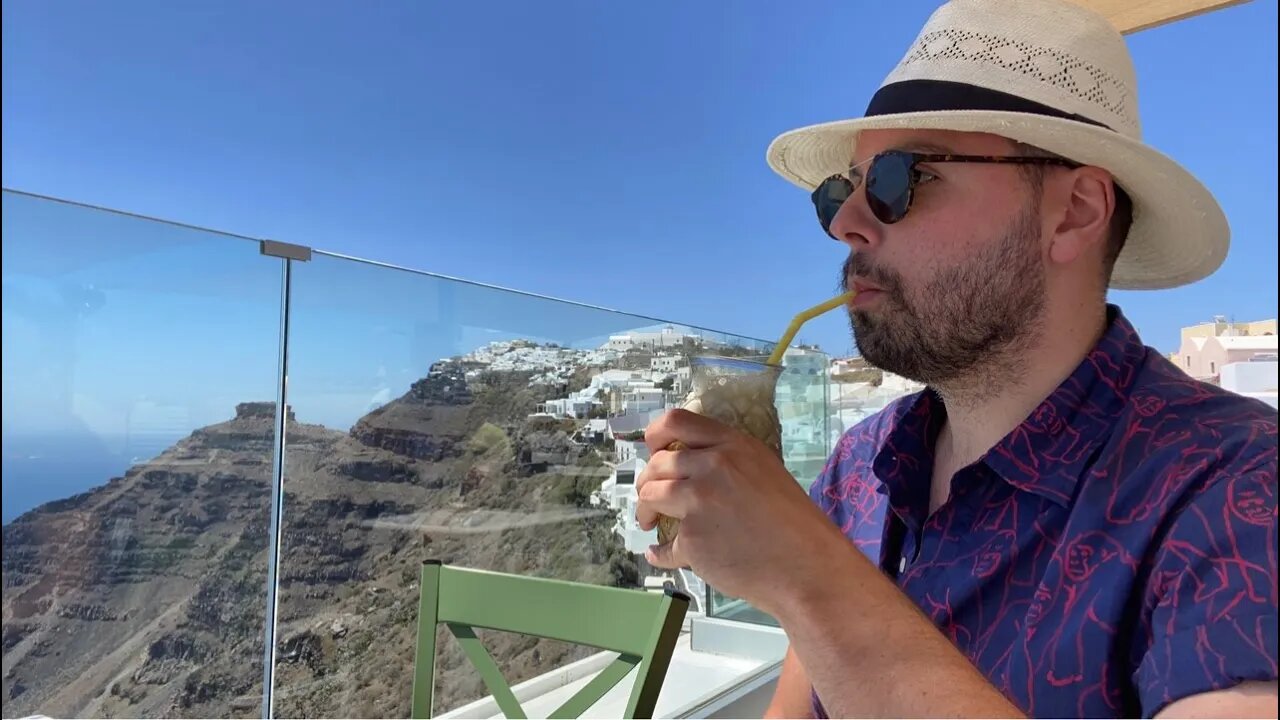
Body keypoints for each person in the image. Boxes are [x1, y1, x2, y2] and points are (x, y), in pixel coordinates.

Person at [634, 0, 1278, 717]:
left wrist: (806, 572)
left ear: (1075, 212)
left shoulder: (1238, 488)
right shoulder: (860, 466)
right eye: (840, 192)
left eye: (898, 180)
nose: (846, 224)